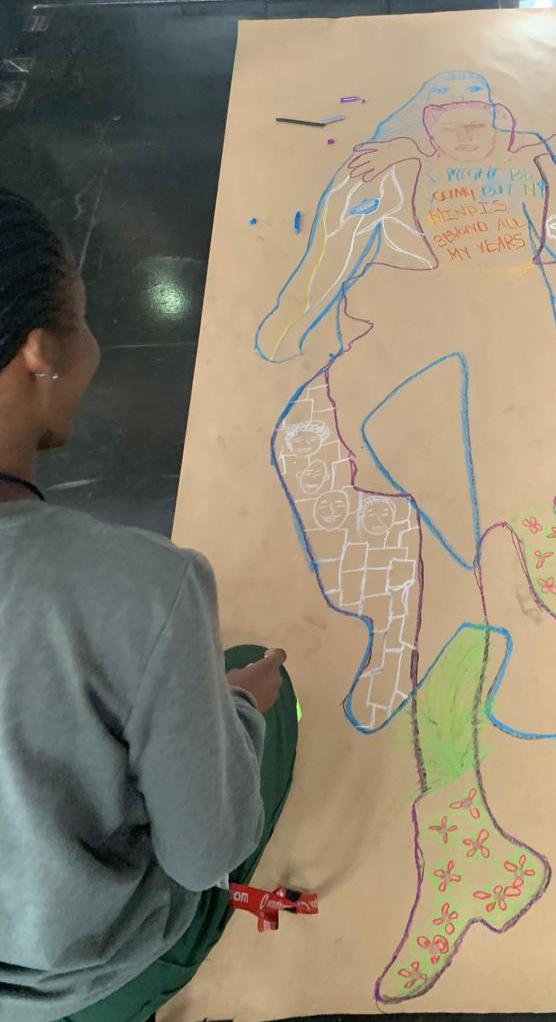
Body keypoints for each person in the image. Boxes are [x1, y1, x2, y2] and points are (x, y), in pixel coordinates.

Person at [256, 72, 556, 1003]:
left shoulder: (525, 170)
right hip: (407, 390)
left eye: (483, 119)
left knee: (450, 601)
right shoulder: (384, 177)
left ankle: (521, 525)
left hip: (505, 386)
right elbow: (328, 259)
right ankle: (461, 835)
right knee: (437, 593)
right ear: (428, 125)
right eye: (450, 120)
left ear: (498, 122)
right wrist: (292, 316)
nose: (468, 134)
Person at [0, 189, 298, 1022]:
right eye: (84, 319)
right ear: (38, 354)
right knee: (255, 682)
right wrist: (238, 714)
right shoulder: (148, 589)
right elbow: (204, 855)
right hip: (86, 982)